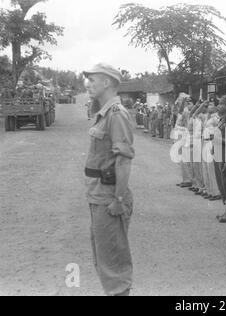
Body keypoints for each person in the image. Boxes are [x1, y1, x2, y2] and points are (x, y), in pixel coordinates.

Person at [83, 63, 134, 296]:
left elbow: (123, 161)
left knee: (114, 265)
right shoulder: (104, 113)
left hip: (109, 197)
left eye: (92, 80)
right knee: (104, 259)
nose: (88, 84)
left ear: (107, 82)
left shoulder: (116, 115)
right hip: (99, 194)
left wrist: (119, 199)